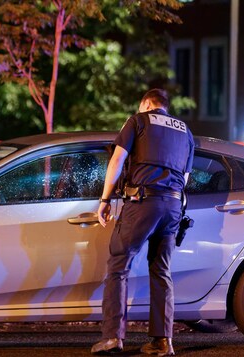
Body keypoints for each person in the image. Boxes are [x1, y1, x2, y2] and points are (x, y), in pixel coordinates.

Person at [91, 89, 194, 356]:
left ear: (146, 104)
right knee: (161, 271)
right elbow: (185, 179)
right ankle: (163, 342)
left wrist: (104, 199)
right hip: (173, 207)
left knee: (118, 266)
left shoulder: (137, 121)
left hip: (143, 203)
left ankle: (113, 337)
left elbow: (117, 159)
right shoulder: (185, 132)